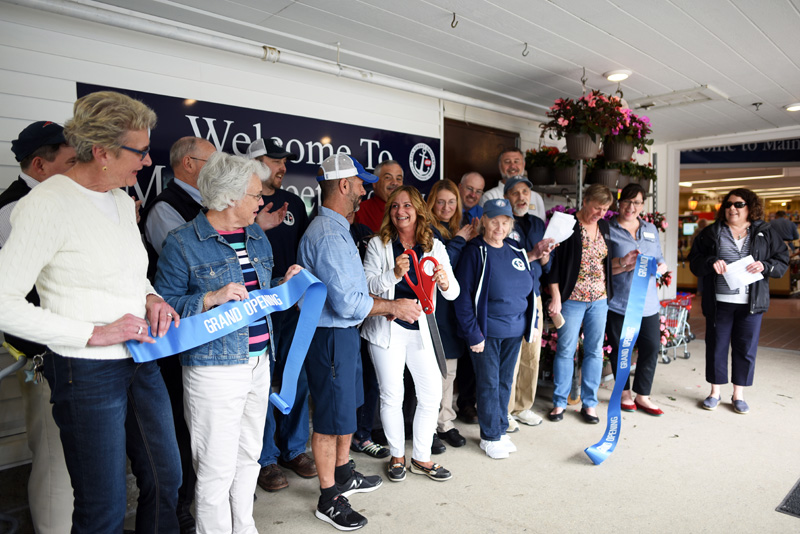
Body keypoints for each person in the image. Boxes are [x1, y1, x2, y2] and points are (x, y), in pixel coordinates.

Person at [0, 90, 181, 533]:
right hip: (87, 370)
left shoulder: (121, 200)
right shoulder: (45, 204)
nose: (146, 161)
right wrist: (93, 333)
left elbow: (130, 274)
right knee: (103, 506)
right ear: (101, 152)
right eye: (139, 151)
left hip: (142, 359)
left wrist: (152, 297)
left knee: (167, 478)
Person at [155, 151, 299, 532]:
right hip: (213, 369)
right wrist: (208, 299)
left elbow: (261, 295)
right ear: (229, 197)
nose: (262, 202)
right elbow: (161, 305)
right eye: (255, 195)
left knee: (249, 457)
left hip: (258, 362)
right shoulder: (183, 242)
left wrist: (286, 286)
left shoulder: (256, 236)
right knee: (215, 469)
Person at [298, 153, 421, 531]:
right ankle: (328, 497)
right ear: (344, 185)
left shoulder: (339, 229)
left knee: (347, 410)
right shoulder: (327, 234)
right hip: (330, 335)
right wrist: (394, 306)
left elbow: (354, 294)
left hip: (344, 333)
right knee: (330, 422)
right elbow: (349, 302)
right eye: (361, 183)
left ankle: (344, 472)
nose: (366, 189)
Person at [0, 120, 75, 534]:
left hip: (68, 351)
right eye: (70, 161)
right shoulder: (15, 211)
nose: (80, 168)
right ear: (39, 165)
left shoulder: (55, 203)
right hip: (43, 356)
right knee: (54, 458)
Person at [141, 134, 216, 533]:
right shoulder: (164, 209)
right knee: (179, 420)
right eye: (211, 162)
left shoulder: (203, 204)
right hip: (175, 332)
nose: (217, 171)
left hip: (205, 329)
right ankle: (182, 505)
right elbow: (187, 262)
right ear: (188, 164)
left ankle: (203, 493)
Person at [362, 185, 460, 482]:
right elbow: (366, 287)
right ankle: (397, 456)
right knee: (392, 395)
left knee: (430, 394)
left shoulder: (434, 246)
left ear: (418, 210)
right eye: (394, 206)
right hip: (387, 329)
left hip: (422, 331)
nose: (400, 211)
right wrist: (393, 274)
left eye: (406, 205)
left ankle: (421, 457)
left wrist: (443, 281)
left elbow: (453, 292)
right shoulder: (378, 245)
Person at [245, 137, 317, 492]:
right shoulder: (243, 203)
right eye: (274, 161)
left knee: (295, 377)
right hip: (257, 308)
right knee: (261, 383)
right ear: (256, 162)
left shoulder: (295, 204)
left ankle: (293, 449)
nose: (282, 167)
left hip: (291, 306)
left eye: (284, 161)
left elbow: (302, 252)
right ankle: (266, 459)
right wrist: (257, 224)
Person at [453, 198, 540, 459]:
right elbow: (463, 297)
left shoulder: (515, 249)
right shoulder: (474, 251)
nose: (499, 227)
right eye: (494, 221)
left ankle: (500, 429)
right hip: (487, 333)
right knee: (489, 383)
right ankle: (489, 436)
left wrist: (532, 324)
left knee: (504, 382)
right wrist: (473, 333)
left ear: (510, 224)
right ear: (483, 222)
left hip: (514, 331)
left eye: (504, 222)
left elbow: (530, 289)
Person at [689, 188, 789, 414]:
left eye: (738, 204)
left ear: (750, 208)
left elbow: (781, 260)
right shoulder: (712, 232)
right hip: (719, 302)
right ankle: (715, 392)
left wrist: (766, 266)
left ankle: (738, 394)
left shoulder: (764, 232)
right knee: (717, 346)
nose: (732, 208)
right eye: (728, 204)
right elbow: (695, 261)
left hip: (751, 303)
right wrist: (710, 262)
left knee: (745, 348)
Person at [546, 184, 614, 425]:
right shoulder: (566, 224)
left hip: (599, 299)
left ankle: (590, 403)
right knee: (566, 350)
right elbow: (552, 264)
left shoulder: (604, 226)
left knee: (595, 351)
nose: (601, 213)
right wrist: (555, 296)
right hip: (572, 299)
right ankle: (559, 402)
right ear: (585, 201)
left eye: (605, 209)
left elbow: (604, 262)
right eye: (597, 207)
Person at [606, 183, 669, 416]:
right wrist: (624, 263)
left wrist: (661, 266)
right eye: (627, 201)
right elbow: (602, 269)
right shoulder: (608, 229)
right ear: (618, 202)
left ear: (643, 205)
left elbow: (659, 258)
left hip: (649, 304)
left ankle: (643, 395)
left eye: (637, 202)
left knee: (651, 348)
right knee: (622, 350)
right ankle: (624, 393)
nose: (631, 207)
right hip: (620, 303)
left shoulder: (650, 229)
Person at [426, 180, 477, 448]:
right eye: (441, 201)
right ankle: (428, 428)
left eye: (451, 201)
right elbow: (439, 263)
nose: (446, 207)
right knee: (433, 373)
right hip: (436, 309)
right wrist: (459, 241)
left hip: (454, 310)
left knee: (450, 372)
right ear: (431, 202)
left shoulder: (457, 228)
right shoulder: (426, 229)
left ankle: (445, 422)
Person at [503, 177, 554, 430]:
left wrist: (544, 257)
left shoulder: (537, 224)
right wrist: (532, 254)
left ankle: (523, 406)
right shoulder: (501, 222)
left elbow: (548, 267)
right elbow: (501, 258)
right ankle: (506, 409)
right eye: (515, 193)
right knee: (511, 355)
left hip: (533, 295)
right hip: (509, 299)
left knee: (532, 354)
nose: (522, 197)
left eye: (525, 192)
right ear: (506, 197)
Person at [479, 147, 546, 220]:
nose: (513, 166)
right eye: (507, 162)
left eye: (516, 161)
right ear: (500, 166)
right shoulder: (490, 197)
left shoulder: (537, 197)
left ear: (523, 165)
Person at [353, 159, 403, 232]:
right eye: (388, 177)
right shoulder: (359, 212)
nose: (394, 183)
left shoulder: (410, 212)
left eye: (398, 179)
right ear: (375, 183)